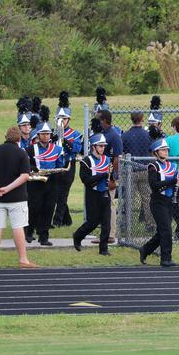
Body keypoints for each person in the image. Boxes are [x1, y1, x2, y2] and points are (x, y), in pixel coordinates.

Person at [0, 127, 37, 269]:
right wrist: (8, 188)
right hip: (17, 197)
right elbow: (25, 176)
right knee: (18, 227)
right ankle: (23, 259)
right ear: (19, 138)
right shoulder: (21, 153)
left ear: (5, 137)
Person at [139, 126, 179, 267]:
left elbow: (174, 185)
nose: (166, 152)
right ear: (156, 152)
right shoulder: (153, 166)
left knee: (162, 231)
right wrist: (172, 182)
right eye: (163, 150)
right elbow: (154, 185)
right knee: (166, 230)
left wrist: (175, 185)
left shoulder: (172, 166)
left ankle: (145, 249)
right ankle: (166, 259)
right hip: (157, 202)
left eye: (167, 150)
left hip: (169, 201)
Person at [25, 106, 64, 246]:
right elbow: (26, 165)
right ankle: (29, 232)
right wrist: (33, 168)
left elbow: (60, 165)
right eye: (43, 134)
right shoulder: (30, 149)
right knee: (33, 207)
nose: (46, 136)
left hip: (51, 183)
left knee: (48, 209)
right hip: (35, 182)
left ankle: (44, 236)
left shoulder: (57, 149)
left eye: (48, 134)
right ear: (38, 135)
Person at [72, 133, 113, 255]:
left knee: (106, 224)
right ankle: (77, 236)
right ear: (93, 147)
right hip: (93, 194)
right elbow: (86, 180)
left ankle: (103, 249)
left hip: (105, 193)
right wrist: (103, 175)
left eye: (104, 146)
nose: (102, 148)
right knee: (92, 222)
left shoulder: (107, 159)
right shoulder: (86, 161)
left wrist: (112, 177)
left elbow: (111, 176)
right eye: (100, 146)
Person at [53, 91, 83, 227]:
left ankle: (57, 221)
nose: (62, 121)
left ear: (69, 120)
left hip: (68, 165)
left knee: (63, 194)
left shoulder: (75, 134)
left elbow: (76, 149)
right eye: (59, 118)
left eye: (64, 118)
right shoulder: (51, 133)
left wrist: (64, 140)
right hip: (55, 165)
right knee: (56, 193)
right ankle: (67, 219)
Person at [122, 110, 153, 232]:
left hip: (130, 170)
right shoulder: (147, 135)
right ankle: (150, 224)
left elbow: (122, 152)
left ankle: (126, 223)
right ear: (142, 119)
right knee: (147, 198)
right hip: (145, 169)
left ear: (131, 119)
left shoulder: (125, 135)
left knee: (129, 198)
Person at [98, 109, 123, 243]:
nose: (98, 122)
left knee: (110, 204)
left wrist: (113, 178)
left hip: (109, 175)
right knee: (102, 204)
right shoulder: (104, 133)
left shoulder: (113, 135)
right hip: (101, 174)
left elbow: (117, 158)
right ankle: (105, 233)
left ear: (105, 120)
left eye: (99, 119)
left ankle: (111, 234)